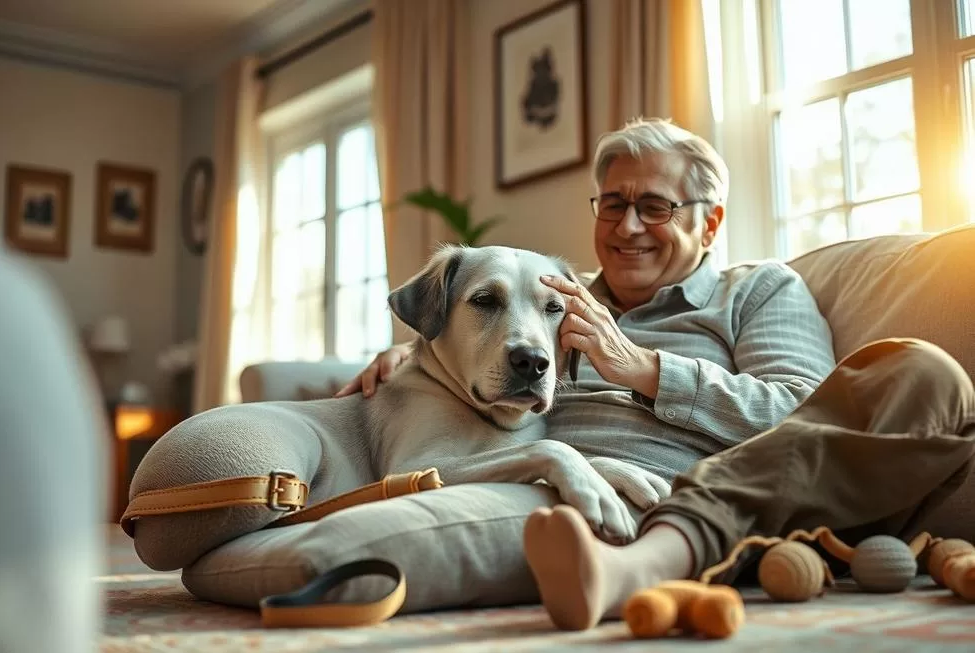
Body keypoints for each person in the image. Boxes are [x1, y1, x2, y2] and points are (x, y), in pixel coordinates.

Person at [337, 117, 975, 630]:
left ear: (712, 221)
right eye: (612, 204)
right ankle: (622, 566)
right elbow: (471, 350)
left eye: (656, 207)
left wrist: (645, 368)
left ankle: (637, 566)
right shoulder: (550, 297)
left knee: (922, 370)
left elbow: (806, 412)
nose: (628, 227)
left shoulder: (755, 291)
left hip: (698, 491)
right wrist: (414, 356)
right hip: (551, 485)